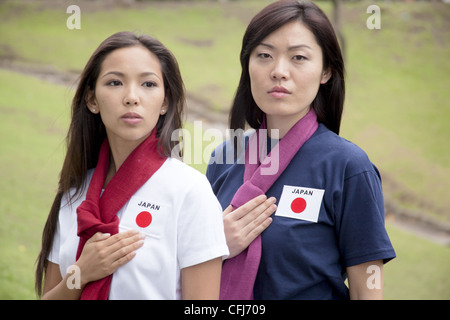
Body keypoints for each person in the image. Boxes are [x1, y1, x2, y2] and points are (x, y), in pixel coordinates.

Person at [206, 0, 395, 300]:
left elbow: (367, 289)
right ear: (248, 65)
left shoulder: (348, 166)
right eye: (264, 55)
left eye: (298, 57)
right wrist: (215, 244)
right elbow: (190, 275)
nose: (279, 71)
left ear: (326, 72)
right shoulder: (223, 158)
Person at [35, 31, 229, 300]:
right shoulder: (74, 192)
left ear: (165, 102)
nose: (131, 97)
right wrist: (81, 273)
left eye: (148, 84)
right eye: (115, 82)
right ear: (92, 100)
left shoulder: (189, 191)